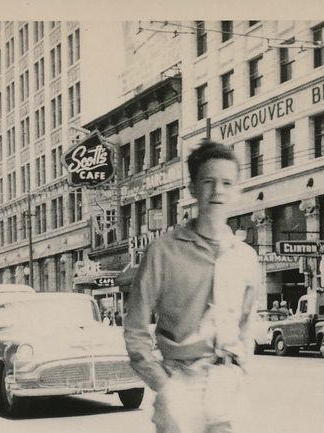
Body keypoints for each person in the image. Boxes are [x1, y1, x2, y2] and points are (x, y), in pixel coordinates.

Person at [124, 140, 258, 433]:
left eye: (226, 182)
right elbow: (135, 330)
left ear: (237, 189)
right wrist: (164, 384)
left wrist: (242, 370)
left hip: (229, 384)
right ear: (193, 189)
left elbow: (247, 323)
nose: (218, 191)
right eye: (208, 181)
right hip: (181, 382)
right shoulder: (163, 251)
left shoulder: (245, 257)